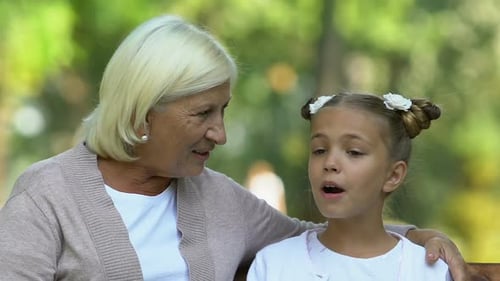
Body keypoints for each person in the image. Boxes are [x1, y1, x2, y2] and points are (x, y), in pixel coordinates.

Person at [0, 14, 468, 281]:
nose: (219, 133)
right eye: (203, 114)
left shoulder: (216, 197)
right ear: (143, 113)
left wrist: (419, 237)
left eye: (223, 111)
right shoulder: (47, 196)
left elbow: (322, 235)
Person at [247, 92, 454, 280]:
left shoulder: (427, 271)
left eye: (354, 152)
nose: (329, 163)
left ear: (393, 175)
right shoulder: (274, 264)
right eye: (319, 150)